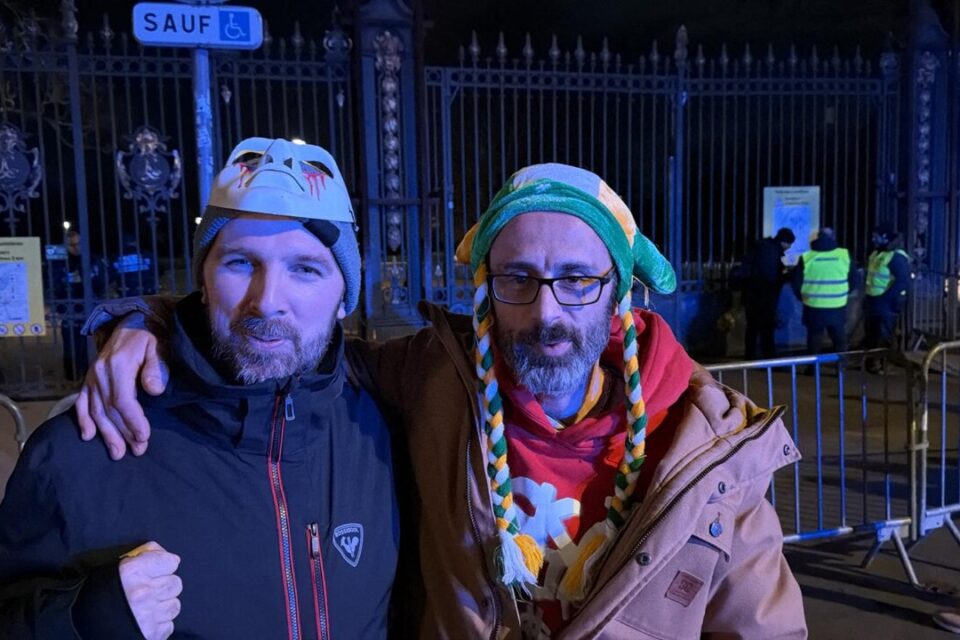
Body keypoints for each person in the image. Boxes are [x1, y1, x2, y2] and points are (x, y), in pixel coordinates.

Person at [79, 163, 807, 638]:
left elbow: (763, 627)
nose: (547, 312)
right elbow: (286, 342)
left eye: (577, 280)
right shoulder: (431, 379)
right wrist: (152, 321)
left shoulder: (706, 442)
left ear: (618, 291)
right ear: (487, 287)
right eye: (518, 278)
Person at [0, 138, 399, 639]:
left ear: (344, 296)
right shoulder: (82, 452)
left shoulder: (383, 429)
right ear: (203, 282)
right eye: (240, 263)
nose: (267, 301)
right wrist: (87, 619)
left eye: (305, 269)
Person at [48, 228, 107, 380]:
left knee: (89, 345)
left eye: (78, 243)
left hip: (90, 309)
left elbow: (102, 283)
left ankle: (89, 376)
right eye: (71, 244)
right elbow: (55, 286)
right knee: (71, 346)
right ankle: (72, 377)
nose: (75, 247)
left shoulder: (94, 260)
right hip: (69, 310)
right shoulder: (60, 263)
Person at [791, 227, 854, 355]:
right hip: (837, 306)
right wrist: (842, 294)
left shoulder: (807, 257)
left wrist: (804, 298)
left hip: (813, 307)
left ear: (817, 238)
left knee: (814, 340)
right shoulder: (844, 255)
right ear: (834, 238)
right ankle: (840, 369)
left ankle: (813, 370)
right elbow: (854, 280)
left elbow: (796, 283)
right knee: (839, 341)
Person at [739, 227, 795, 360]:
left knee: (752, 327)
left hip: (752, 295)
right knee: (766, 328)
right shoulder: (770, 252)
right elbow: (771, 278)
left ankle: (750, 356)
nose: (788, 248)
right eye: (789, 244)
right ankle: (768, 357)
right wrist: (788, 276)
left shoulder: (764, 247)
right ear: (784, 242)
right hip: (763, 297)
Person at [862, 224, 910, 372]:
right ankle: (873, 363)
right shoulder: (877, 253)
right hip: (873, 299)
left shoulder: (896, 256)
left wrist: (886, 298)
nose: (872, 239)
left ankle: (882, 364)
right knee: (873, 334)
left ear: (885, 237)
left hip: (885, 302)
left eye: (876, 236)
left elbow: (903, 281)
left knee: (884, 335)